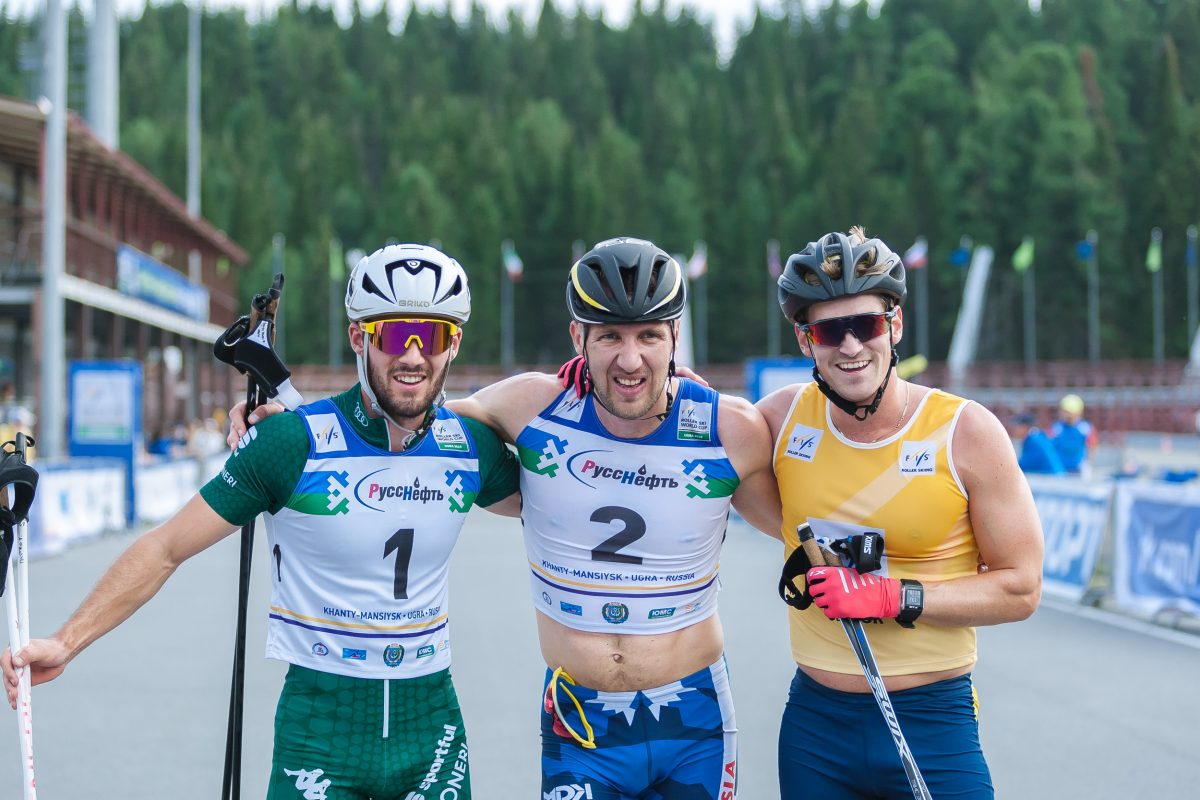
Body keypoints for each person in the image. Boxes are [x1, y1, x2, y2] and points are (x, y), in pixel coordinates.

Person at [234, 236, 781, 799]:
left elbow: (798, 523)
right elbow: (403, 422)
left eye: (648, 336)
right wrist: (286, 422)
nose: (629, 358)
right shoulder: (530, 405)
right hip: (579, 718)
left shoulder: (728, 428)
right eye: (609, 336)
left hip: (694, 718)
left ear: (674, 337)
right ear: (579, 338)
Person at [3, 244, 521, 798]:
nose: (414, 356)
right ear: (358, 337)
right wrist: (66, 641)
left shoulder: (470, 446)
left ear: (453, 344)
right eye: (395, 335)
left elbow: (562, 501)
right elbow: (165, 548)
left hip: (432, 727)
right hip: (321, 730)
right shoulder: (291, 441)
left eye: (433, 336)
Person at [756, 227, 1043, 799]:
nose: (850, 347)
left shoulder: (966, 432)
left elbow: (1021, 588)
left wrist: (892, 597)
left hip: (931, 720)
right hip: (817, 727)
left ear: (895, 325)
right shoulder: (779, 419)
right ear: (806, 341)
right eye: (828, 331)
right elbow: (684, 430)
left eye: (865, 325)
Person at [1050, 393, 1096, 476]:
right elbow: (1050, 446)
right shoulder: (1057, 427)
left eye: (1069, 412)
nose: (1067, 415)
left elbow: (1092, 445)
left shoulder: (1084, 428)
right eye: (1064, 412)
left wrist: (1087, 462)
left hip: (1078, 467)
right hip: (1061, 468)